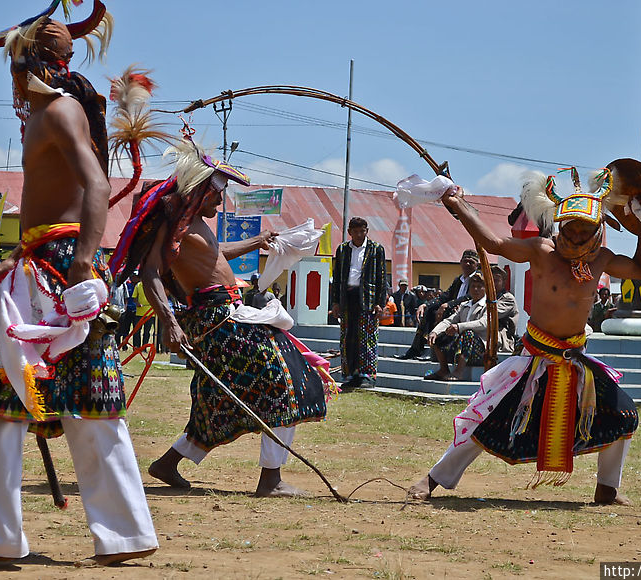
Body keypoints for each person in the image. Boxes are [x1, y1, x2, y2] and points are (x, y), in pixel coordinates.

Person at [0, 0, 157, 566]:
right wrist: (16, 256)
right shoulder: (45, 114)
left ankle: (39, 536)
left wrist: (82, 262)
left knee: (75, 404)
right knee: (15, 403)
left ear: (22, 64)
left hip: (62, 270)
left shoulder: (58, 112)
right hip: (41, 266)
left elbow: (96, 185)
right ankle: (88, 534)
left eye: (10, 66)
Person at [409, 166, 641, 505]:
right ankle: (434, 479)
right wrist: (457, 205)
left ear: (598, 231)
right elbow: (493, 242)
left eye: (586, 231)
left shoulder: (603, 259)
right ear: (561, 227)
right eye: (572, 230)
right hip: (533, 358)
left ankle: (607, 489)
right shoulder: (541, 251)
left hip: (575, 360)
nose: (579, 237)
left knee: (623, 413)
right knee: (487, 417)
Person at [109, 135, 333, 497]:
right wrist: (169, 322)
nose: (220, 198)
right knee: (286, 377)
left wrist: (258, 241)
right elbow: (149, 273)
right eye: (216, 192)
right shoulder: (172, 225)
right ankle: (271, 479)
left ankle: (168, 463)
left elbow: (216, 254)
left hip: (229, 313)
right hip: (215, 320)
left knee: (220, 396)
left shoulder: (195, 222)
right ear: (199, 190)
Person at [331, 217, 388, 389]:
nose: (359, 234)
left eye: (362, 231)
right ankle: (351, 374)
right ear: (349, 232)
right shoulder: (342, 249)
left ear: (366, 231)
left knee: (367, 338)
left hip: (368, 299)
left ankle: (368, 375)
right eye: (355, 231)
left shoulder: (376, 249)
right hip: (347, 298)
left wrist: (380, 303)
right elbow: (337, 277)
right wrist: (335, 302)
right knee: (349, 338)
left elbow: (382, 277)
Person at [397, 249, 479, 359]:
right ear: (460, 262)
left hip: (468, 310)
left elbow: (470, 296)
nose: (467, 264)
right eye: (465, 261)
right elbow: (445, 296)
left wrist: (447, 305)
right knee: (429, 311)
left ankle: (433, 350)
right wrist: (425, 305)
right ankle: (416, 348)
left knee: (443, 314)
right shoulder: (458, 280)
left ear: (477, 265)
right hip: (454, 308)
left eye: (471, 262)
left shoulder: (477, 279)